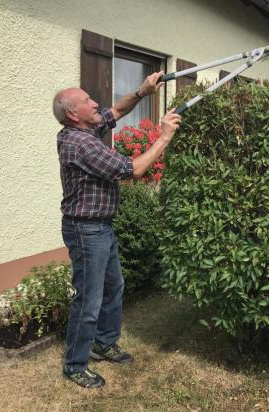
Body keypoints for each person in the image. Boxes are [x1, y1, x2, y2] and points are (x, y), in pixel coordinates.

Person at [52, 72, 182, 388]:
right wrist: (164, 137)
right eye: (87, 101)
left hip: (101, 227)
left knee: (114, 287)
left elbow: (116, 112)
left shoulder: (85, 128)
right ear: (73, 114)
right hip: (86, 231)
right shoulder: (80, 143)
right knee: (89, 298)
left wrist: (142, 90)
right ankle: (74, 364)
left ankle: (103, 342)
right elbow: (133, 170)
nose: (95, 103)